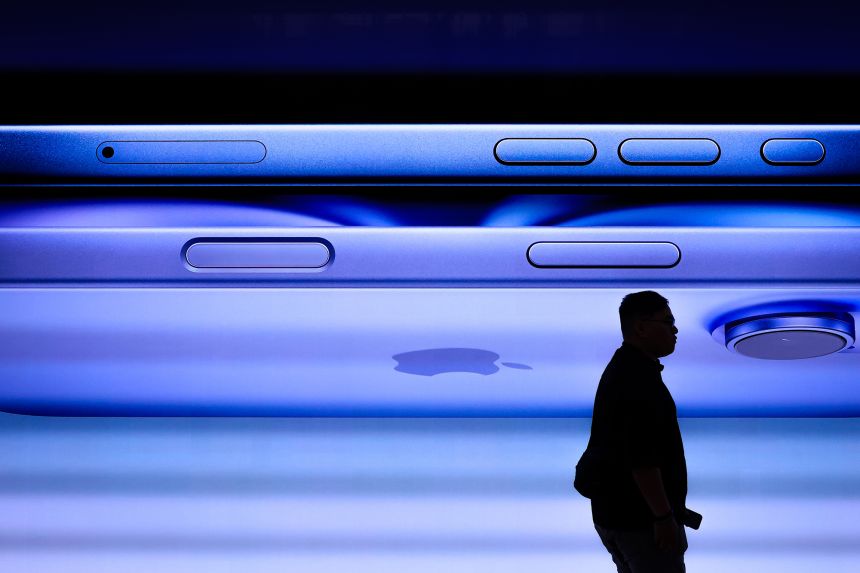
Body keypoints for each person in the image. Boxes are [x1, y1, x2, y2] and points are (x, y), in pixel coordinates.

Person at [585, 290, 689, 573]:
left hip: (617, 517)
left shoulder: (622, 369)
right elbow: (642, 460)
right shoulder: (638, 379)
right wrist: (664, 518)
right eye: (667, 322)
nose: (675, 329)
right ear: (641, 327)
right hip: (640, 522)